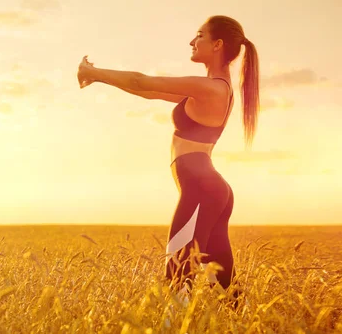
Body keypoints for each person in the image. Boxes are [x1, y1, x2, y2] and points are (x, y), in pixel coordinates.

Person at [76, 15, 259, 303]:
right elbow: (147, 90)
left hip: (201, 188)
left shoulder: (210, 88)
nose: (191, 41)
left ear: (218, 44)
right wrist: (98, 76)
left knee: (177, 274)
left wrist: (94, 73)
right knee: (224, 285)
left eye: (199, 35)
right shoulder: (213, 88)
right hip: (210, 188)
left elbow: (141, 79)